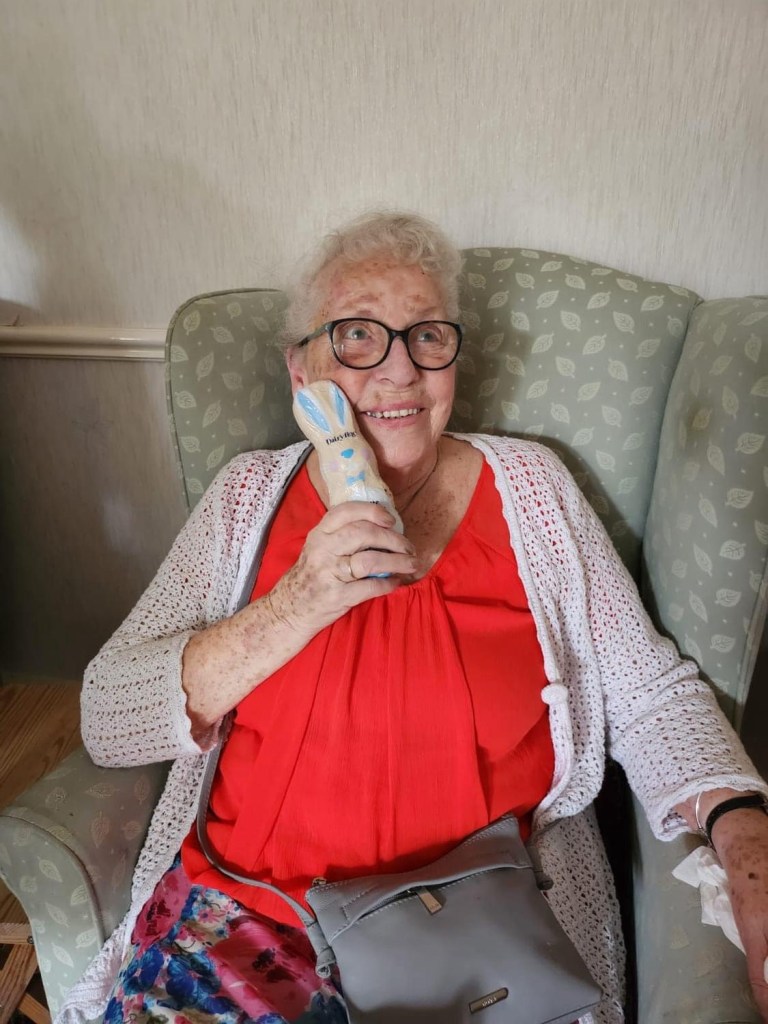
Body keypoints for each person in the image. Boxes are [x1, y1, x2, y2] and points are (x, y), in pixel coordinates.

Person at [60, 212, 768, 1024]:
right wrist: (299, 601)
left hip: (477, 924)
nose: (399, 371)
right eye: (358, 336)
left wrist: (744, 836)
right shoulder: (246, 498)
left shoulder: (532, 489)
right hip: (247, 920)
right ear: (302, 370)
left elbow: (649, 693)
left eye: (426, 336)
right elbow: (109, 717)